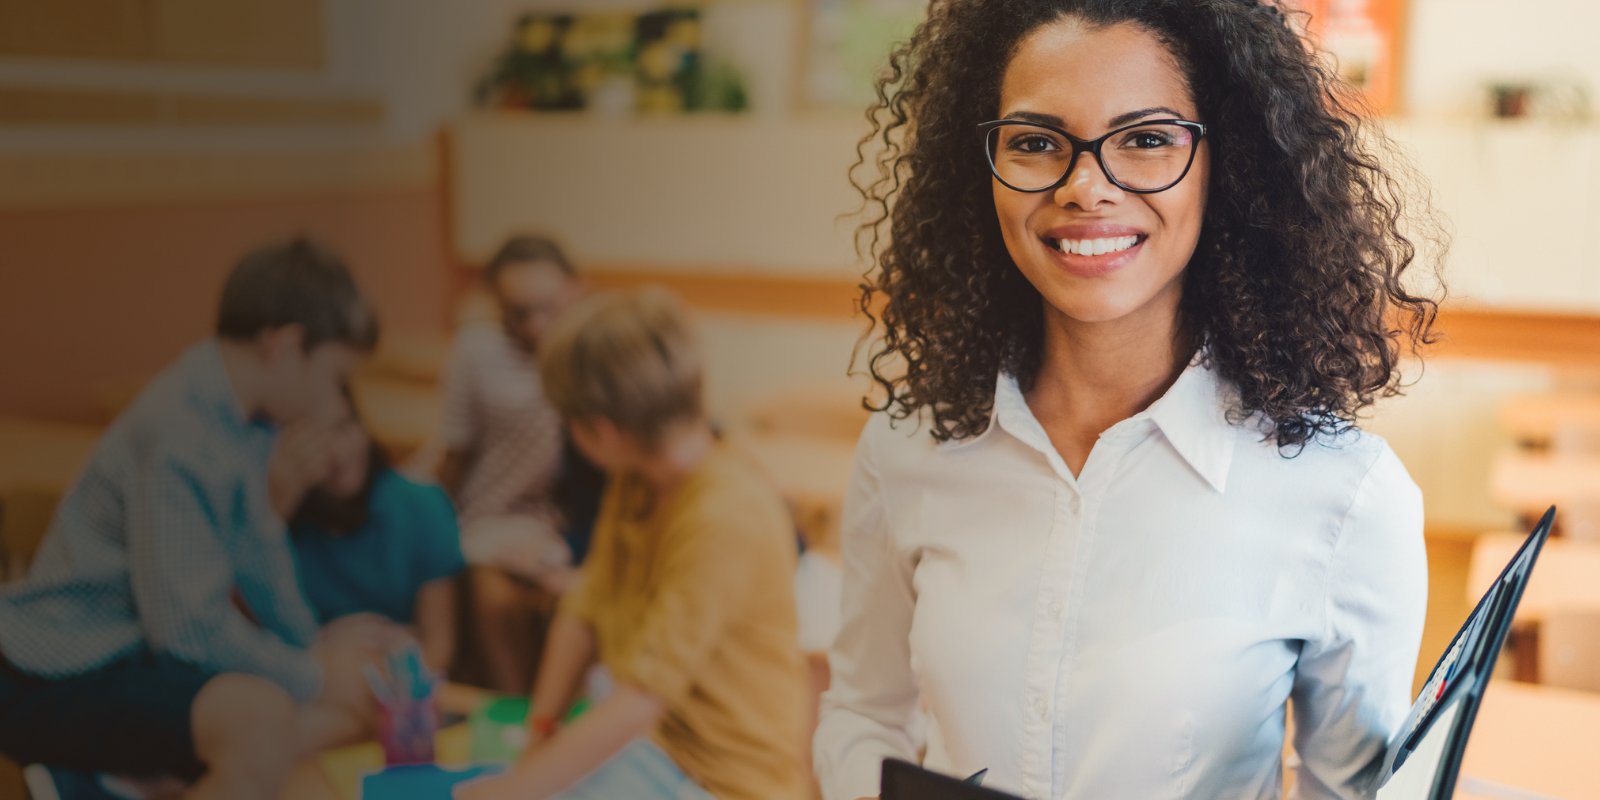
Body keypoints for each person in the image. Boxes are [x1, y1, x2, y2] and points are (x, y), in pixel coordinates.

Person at [813, 2, 1445, 799]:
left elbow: (1351, 789)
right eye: (1036, 143)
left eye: (1145, 140)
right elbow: (864, 715)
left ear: (1230, 164)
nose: (1086, 188)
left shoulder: (1342, 494)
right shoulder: (908, 450)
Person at [0, 238, 402, 800]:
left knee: (343, 707)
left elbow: (258, 558)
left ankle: (123, 782)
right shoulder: (180, 432)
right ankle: (107, 777)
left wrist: (311, 652)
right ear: (284, 346)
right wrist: (312, 673)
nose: (330, 397)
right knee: (260, 718)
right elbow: (188, 631)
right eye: (334, 375)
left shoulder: (246, 420)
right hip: (62, 667)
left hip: (135, 658)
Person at [455, 288, 810, 800]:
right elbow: (586, 605)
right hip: (656, 747)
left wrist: (516, 792)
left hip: (726, 779)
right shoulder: (639, 475)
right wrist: (539, 736)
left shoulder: (725, 514)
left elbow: (644, 696)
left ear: (604, 431)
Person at [437, 234, 602, 693]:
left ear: (576, 290)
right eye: (517, 312)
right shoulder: (476, 352)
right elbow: (452, 454)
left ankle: (558, 714)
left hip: (564, 522)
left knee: (572, 600)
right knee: (495, 592)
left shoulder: (593, 352)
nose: (534, 325)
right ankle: (512, 713)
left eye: (548, 307)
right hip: (493, 515)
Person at [290, 387, 465, 675]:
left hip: (404, 678)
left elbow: (439, 647)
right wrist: (325, 644)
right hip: (314, 675)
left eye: (345, 426)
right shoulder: (278, 521)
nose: (339, 450)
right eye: (316, 439)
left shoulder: (421, 505)